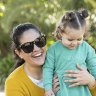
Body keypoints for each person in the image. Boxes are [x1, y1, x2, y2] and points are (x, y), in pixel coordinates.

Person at [43, 9, 96, 96]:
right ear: (61, 33)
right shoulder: (53, 49)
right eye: (70, 39)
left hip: (82, 91)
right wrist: (48, 89)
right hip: (62, 91)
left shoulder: (85, 48)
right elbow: (47, 69)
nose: (74, 43)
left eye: (79, 39)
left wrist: (92, 80)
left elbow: (94, 66)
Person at [5, 23, 60, 96]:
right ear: (19, 53)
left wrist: (81, 79)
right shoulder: (14, 82)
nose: (36, 49)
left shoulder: (60, 64)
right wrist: (50, 93)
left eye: (39, 41)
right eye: (27, 46)